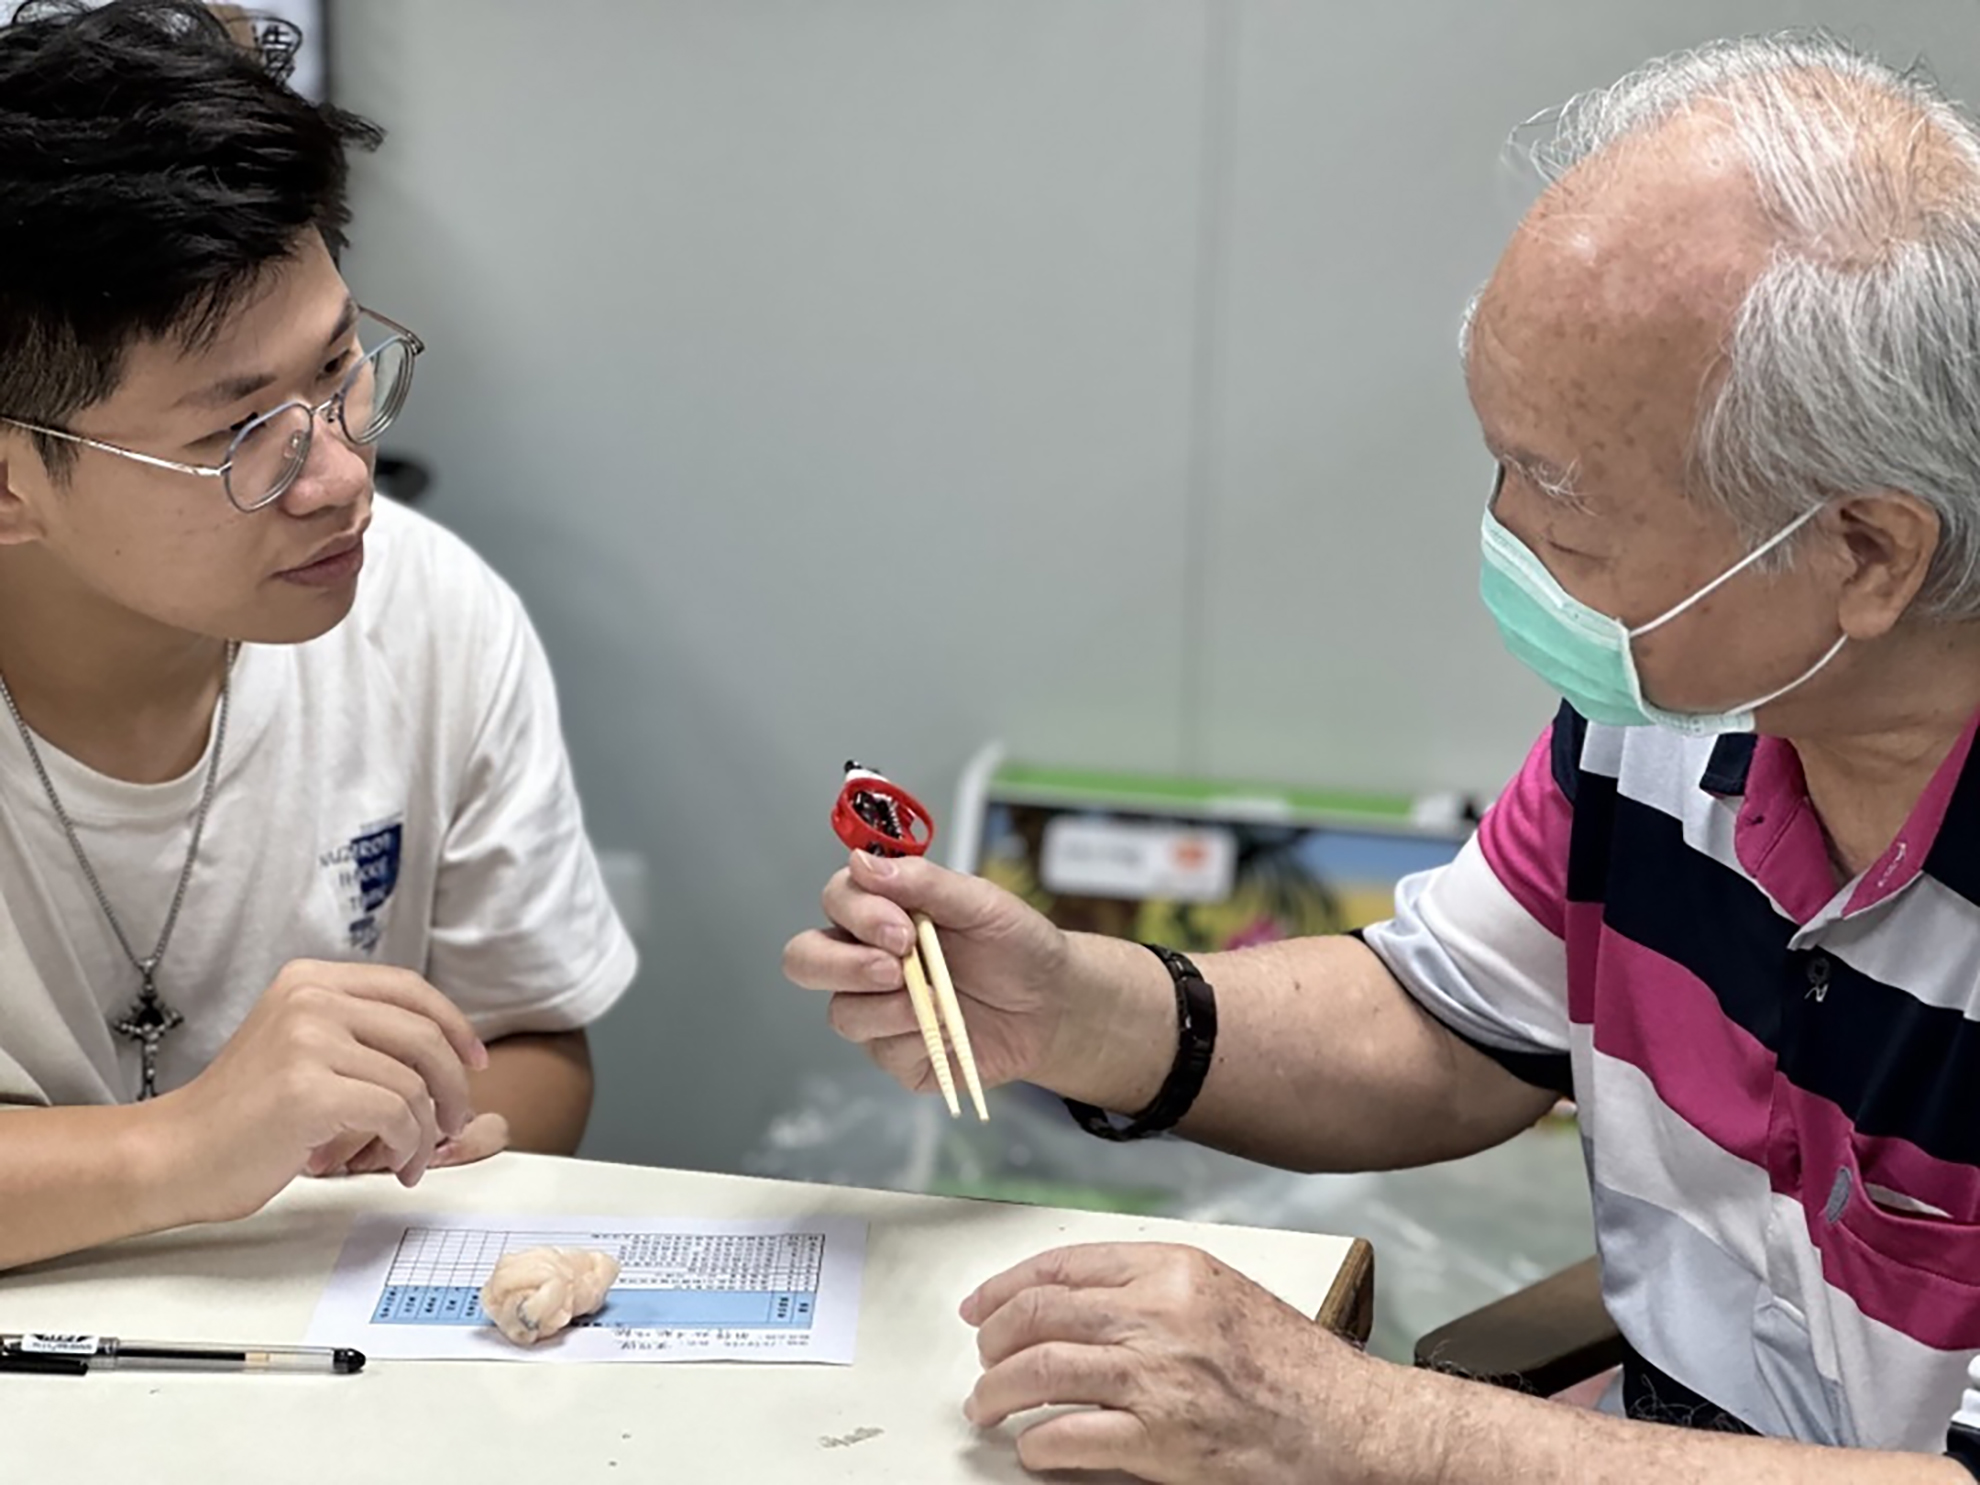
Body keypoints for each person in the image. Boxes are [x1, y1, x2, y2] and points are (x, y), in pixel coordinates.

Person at [786, 31, 1980, 1483]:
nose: (1509, 533)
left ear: (1865, 553)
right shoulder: (1678, 714)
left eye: (1562, 493)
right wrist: (1074, 1006)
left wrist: (1357, 1421)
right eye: (1501, 458)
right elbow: (1446, 1026)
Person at [0, 0, 634, 1272]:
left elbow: (533, 1042)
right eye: (237, 435)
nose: (341, 476)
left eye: (339, 367)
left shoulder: (432, 612)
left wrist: (432, 1125)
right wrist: (184, 1150)